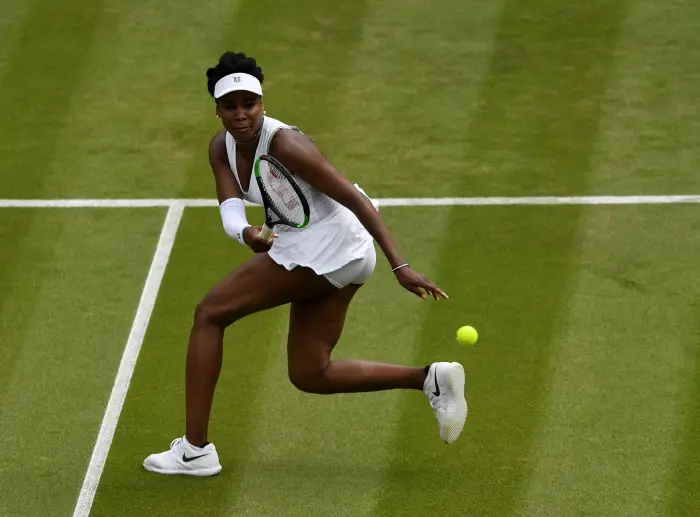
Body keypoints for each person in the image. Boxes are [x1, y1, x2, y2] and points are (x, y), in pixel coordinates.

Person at [143, 51, 467, 476]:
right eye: (230, 106)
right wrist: (247, 234)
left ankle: (195, 450)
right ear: (217, 109)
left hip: (328, 245)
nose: (240, 114)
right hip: (333, 252)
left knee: (209, 314)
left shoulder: (285, 143)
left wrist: (399, 265)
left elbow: (355, 198)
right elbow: (230, 207)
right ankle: (431, 379)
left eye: (249, 103)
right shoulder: (219, 149)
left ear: (262, 103)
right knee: (310, 373)